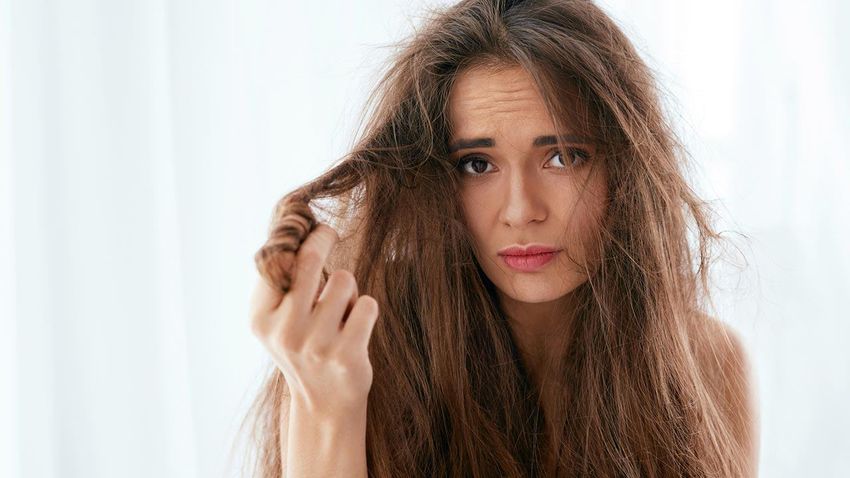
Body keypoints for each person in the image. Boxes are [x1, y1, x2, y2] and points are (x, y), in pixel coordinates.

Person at [246, 0, 758, 476]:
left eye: (562, 156)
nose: (520, 212)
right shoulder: (351, 357)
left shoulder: (705, 364)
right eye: (477, 164)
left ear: (627, 171)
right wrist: (327, 404)